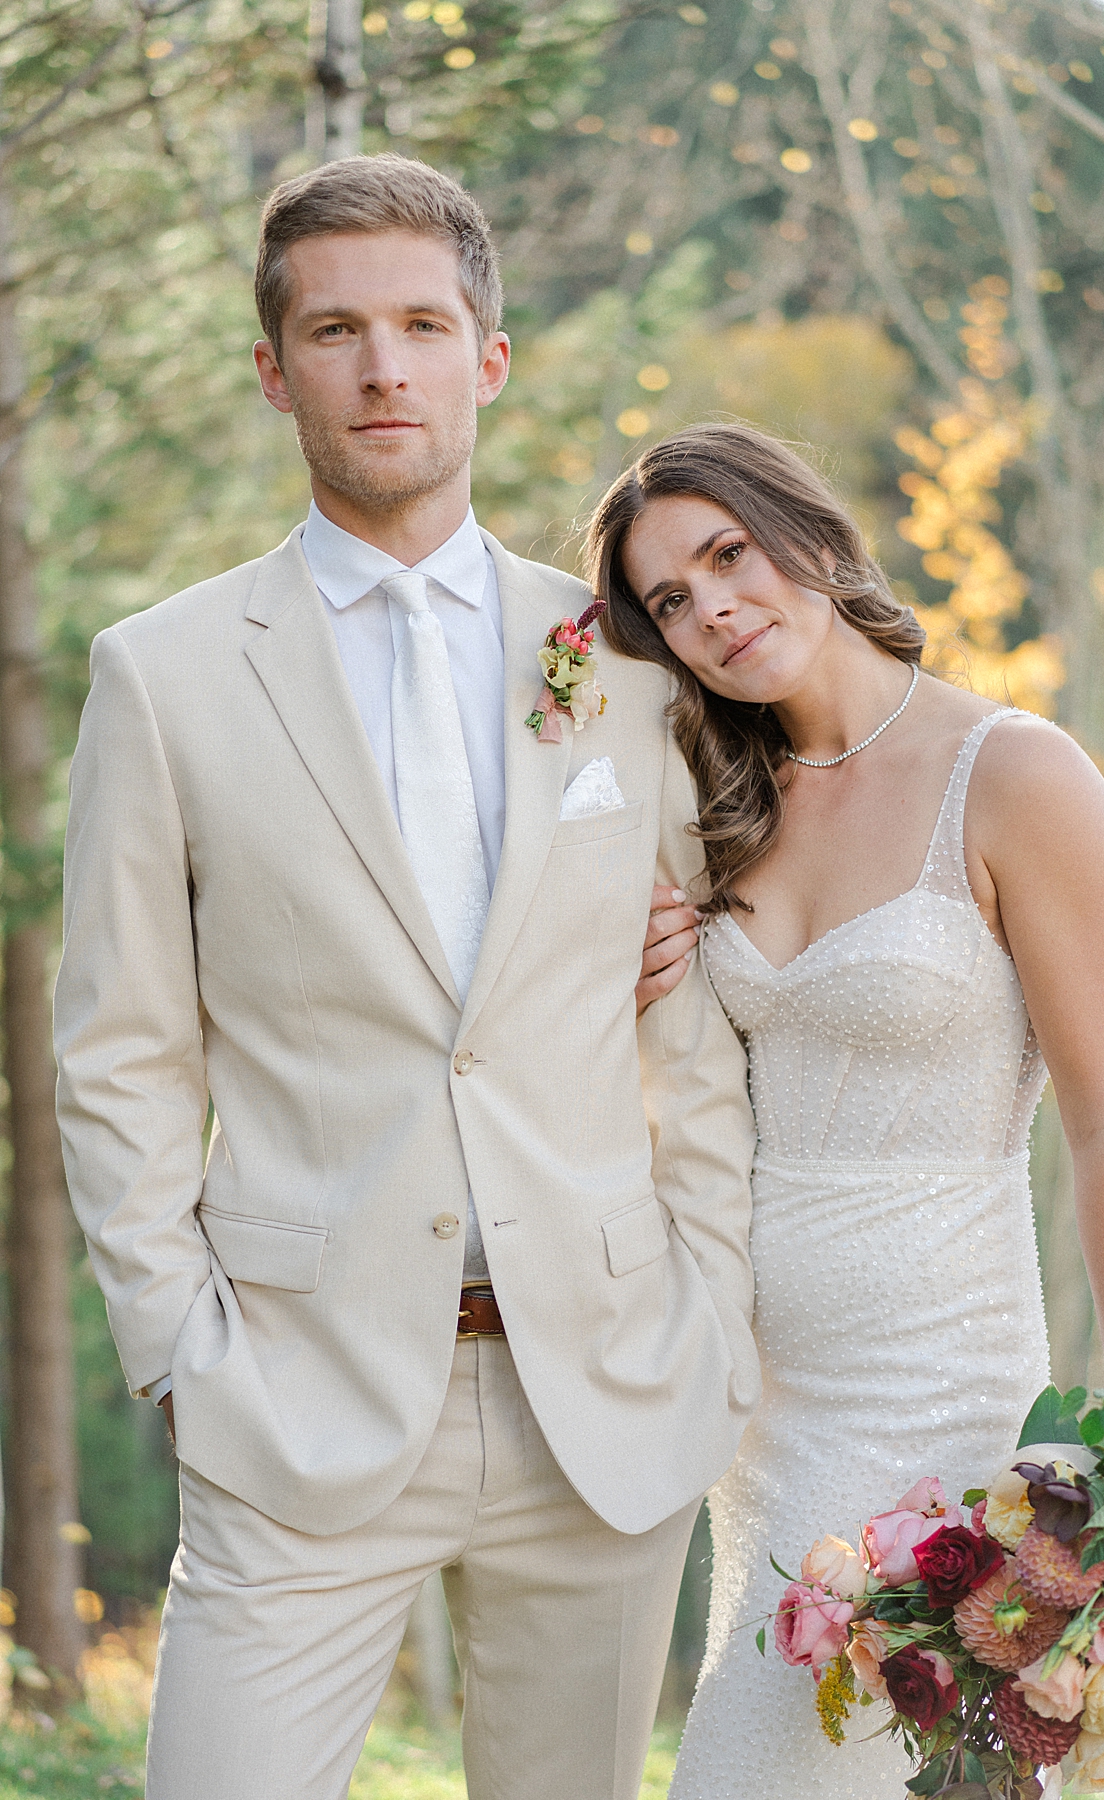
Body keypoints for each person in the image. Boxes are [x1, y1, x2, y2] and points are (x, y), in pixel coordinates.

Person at [53, 157, 762, 1800]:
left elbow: (698, 1020)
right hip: (296, 1398)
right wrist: (176, 1343)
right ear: (274, 368)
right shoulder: (160, 679)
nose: (384, 368)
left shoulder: (626, 658)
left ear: (487, 359)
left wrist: (709, 1306)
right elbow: (121, 1049)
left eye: (424, 326)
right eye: (338, 330)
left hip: (602, 1391)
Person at [589, 422, 1104, 1800]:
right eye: (669, 601)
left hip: (945, 1402)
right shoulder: (718, 803)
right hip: (762, 1412)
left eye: (727, 555)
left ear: (812, 536)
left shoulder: (1016, 774)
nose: (711, 609)